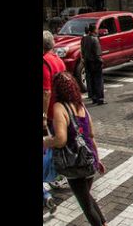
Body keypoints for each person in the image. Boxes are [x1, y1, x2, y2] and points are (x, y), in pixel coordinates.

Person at [43, 72, 108, 226]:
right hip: (89, 160)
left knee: (85, 204)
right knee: (87, 197)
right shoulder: (81, 106)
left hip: (74, 164)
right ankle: (104, 223)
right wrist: (97, 160)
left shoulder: (60, 107)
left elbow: (61, 139)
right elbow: (91, 136)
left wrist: (46, 142)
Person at [43, 30, 68, 209]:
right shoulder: (59, 61)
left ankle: (52, 176)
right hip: (61, 109)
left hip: (51, 110)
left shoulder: (45, 62)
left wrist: (43, 115)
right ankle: (58, 176)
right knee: (59, 145)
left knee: (49, 146)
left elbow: (46, 91)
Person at [81, 23, 105, 105]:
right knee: (98, 81)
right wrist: (101, 62)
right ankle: (100, 98)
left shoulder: (85, 38)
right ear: (94, 30)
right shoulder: (95, 39)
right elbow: (98, 54)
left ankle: (94, 97)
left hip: (88, 62)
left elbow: (83, 51)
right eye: (96, 29)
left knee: (91, 81)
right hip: (95, 63)